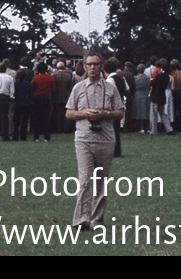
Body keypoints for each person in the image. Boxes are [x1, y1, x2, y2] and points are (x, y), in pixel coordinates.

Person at [65, 54, 124, 231]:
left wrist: (104, 114)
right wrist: (85, 113)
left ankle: (97, 219)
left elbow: (120, 112)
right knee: (84, 180)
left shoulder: (111, 88)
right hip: (84, 139)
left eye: (96, 64)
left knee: (101, 181)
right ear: (84, 66)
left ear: (102, 66)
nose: (92, 68)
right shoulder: (78, 87)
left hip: (105, 139)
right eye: (89, 64)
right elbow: (69, 113)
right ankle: (81, 219)